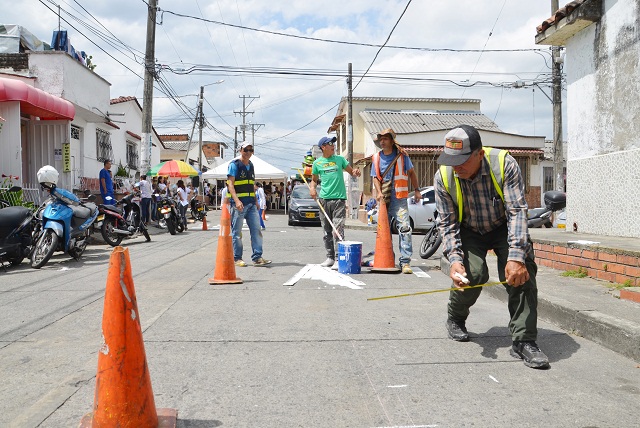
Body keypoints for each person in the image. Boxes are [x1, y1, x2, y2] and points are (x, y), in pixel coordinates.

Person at [434, 124, 549, 370]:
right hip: (469, 229)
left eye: (463, 160)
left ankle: (524, 340)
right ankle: (455, 317)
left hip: (503, 225)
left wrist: (517, 257)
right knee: (471, 274)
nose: (456, 167)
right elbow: (447, 223)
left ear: (480, 154)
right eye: (451, 160)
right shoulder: (443, 176)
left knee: (521, 273)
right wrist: (455, 260)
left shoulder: (504, 164)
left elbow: (517, 211)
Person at [371, 128, 421, 274]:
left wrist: (417, 190)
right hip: (384, 198)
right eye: (381, 139)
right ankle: (387, 259)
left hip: (399, 197)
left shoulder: (402, 156)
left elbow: (411, 173)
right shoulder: (376, 158)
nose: (382, 141)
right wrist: (379, 193)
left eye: (385, 138)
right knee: (384, 230)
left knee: (405, 228)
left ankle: (405, 262)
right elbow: (375, 177)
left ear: (392, 141)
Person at [310, 135, 361, 268]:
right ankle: (330, 258)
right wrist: (312, 189)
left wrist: (355, 172)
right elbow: (314, 180)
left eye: (333, 143)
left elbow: (351, 172)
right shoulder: (317, 163)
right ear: (323, 147)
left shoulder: (340, 159)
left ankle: (339, 258)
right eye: (330, 144)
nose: (333, 145)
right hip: (324, 200)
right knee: (326, 230)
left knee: (337, 229)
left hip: (339, 199)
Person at [227, 141, 271, 267]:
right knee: (237, 233)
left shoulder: (251, 165)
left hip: (251, 204)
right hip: (239, 204)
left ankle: (257, 257)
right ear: (240, 150)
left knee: (256, 230)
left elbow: (251, 184)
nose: (248, 153)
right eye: (246, 150)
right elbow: (230, 185)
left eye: (251, 150)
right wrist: (236, 200)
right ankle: (237, 258)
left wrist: (256, 201)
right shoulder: (234, 165)